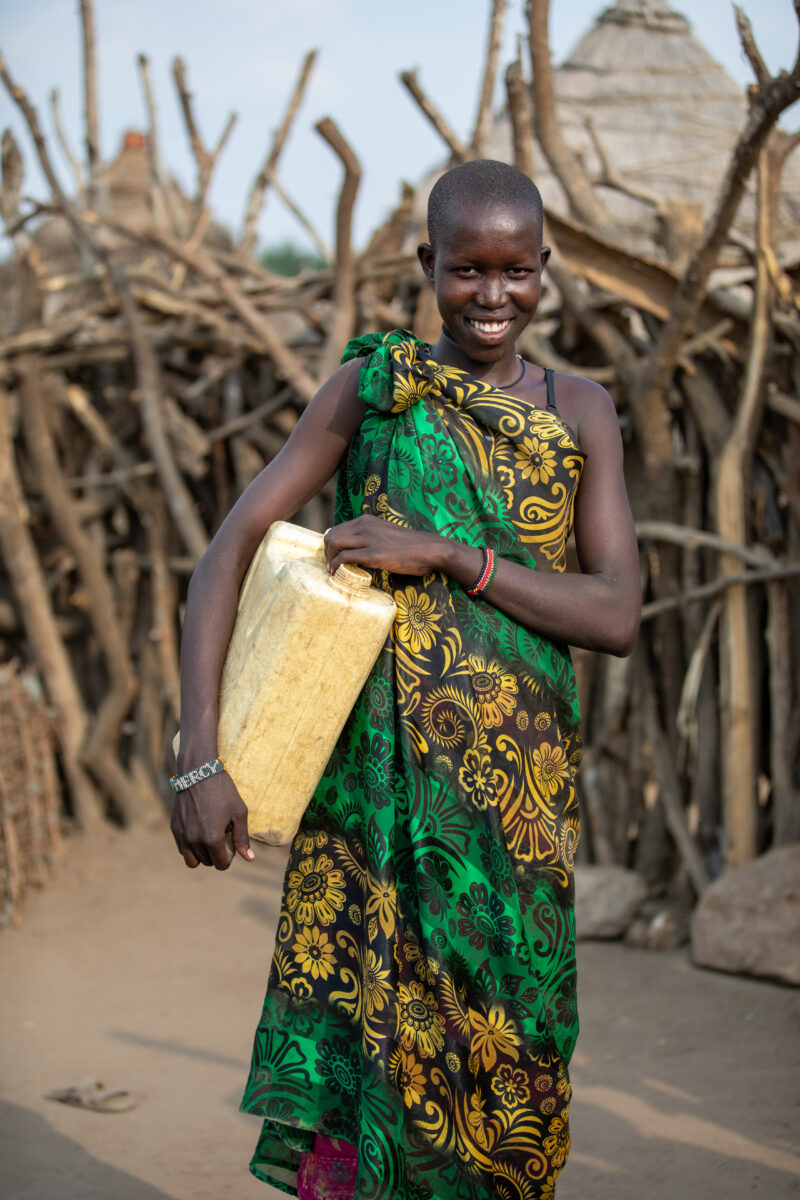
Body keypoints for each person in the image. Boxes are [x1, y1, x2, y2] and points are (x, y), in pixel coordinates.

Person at [171, 159, 641, 1200]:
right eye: (465, 269)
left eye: (514, 272)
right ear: (424, 263)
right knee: (359, 1074)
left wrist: (446, 556)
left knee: (512, 1071)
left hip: (509, 825)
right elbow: (233, 546)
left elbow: (613, 611)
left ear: (543, 272)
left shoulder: (580, 412)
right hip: (369, 811)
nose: (490, 296)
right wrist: (196, 754)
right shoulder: (372, 393)